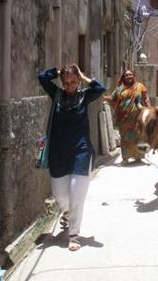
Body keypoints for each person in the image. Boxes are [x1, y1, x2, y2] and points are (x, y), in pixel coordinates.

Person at [38, 64, 105, 251]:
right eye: (66, 82)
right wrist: (58, 72)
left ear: (78, 81)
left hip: (81, 151)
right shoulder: (57, 94)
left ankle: (74, 234)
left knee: (77, 193)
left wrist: (84, 77)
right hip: (58, 153)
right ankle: (67, 212)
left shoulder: (85, 96)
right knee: (60, 195)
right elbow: (42, 77)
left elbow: (100, 89)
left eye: (73, 82)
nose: (69, 86)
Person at [104, 70, 150, 164]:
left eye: (130, 75)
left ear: (134, 76)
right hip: (124, 119)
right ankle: (125, 158)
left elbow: (145, 97)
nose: (128, 76)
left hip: (138, 118)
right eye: (126, 75)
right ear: (123, 77)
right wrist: (103, 97)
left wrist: (149, 108)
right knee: (125, 138)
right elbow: (112, 98)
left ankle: (139, 157)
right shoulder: (119, 89)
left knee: (139, 136)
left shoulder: (139, 86)